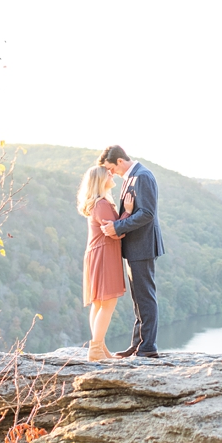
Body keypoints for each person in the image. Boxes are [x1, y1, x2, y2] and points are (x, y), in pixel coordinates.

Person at [97, 144, 165, 358]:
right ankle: (137, 344)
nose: (112, 173)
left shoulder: (142, 176)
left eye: (111, 168)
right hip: (135, 247)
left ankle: (148, 347)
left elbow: (147, 213)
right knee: (138, 299)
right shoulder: (131, 177)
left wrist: (118, 227)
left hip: (143, 246)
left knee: (145, 297)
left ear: (119, 160)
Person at [76, 165, 129, 361]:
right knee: (108, 302)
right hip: (104, 254)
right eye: (108, 174)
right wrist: (128, 212)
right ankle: (96, 348)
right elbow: (116, 232)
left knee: (99, 304)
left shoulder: (96, 204)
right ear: (100, 180)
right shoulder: (102, 204)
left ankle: (100, 348)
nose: (112, 174)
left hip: (97, 253)